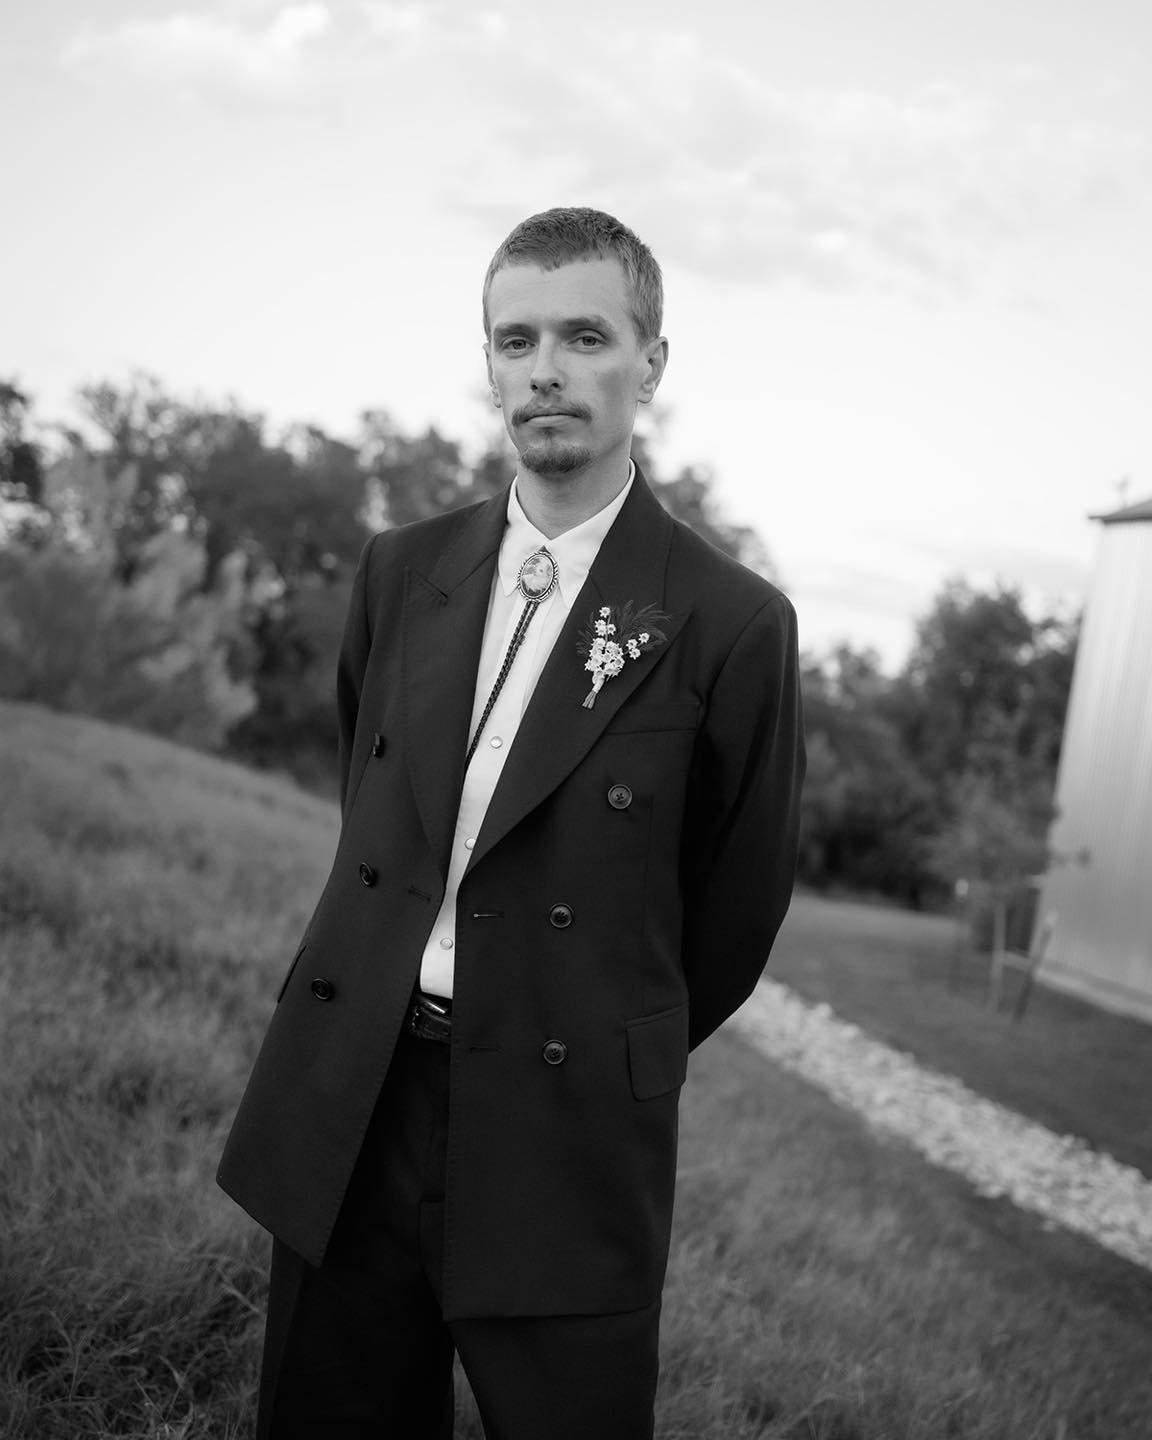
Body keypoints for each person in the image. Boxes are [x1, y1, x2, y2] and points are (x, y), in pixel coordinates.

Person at [217, 206, 806, 1439]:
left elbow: (734, 910)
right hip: (358, 1103)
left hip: (564, 1128)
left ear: (651, 361)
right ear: (487, 363)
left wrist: (583, 1025)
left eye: (585, 335)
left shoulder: (731, 619)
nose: (544, 369)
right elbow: (376, 822)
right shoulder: (401, 569)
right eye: (514, 338)